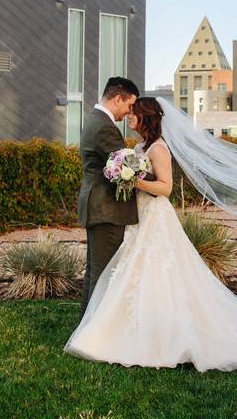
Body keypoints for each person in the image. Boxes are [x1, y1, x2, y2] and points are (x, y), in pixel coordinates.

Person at [65, 97, 237, 372]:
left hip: (155, 215)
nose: (130, 117)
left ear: (146, 117)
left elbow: (165, 188)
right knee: (136, 271)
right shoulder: (140, 146)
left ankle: (164, 335)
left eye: (135, 113)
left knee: (159, 270)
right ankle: (130, 327)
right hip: (139, 216)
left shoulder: (158, 149)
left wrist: (134, 180)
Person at [76, 76, 140, 320]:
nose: (128, 112)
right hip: (106, 208)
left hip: (97, 205)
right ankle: (94, 333)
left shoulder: (95, 119)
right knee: (104, 273)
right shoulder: (104, 126)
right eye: (129, 105)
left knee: (95, 271)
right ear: (118, 98)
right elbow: (128, 165)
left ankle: (86, 325)